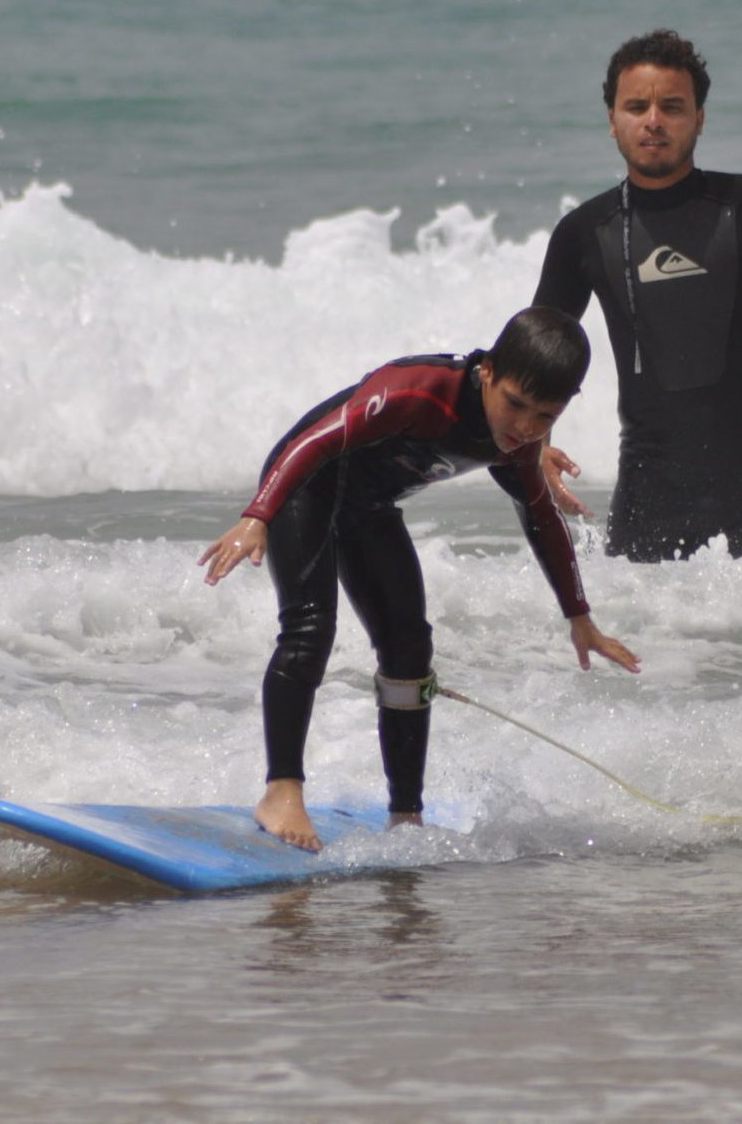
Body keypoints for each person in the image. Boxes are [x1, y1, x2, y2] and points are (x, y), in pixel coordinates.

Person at [199, 306, 641, 851]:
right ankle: (281, 792)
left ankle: (406, 817)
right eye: (515, 405)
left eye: (545, 417)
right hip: (304, 486)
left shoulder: (522, 443)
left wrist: (580, 617)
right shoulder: (418, 392)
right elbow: (311, 444)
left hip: (367, 507)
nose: (524, 427)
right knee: (310, 629)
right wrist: (257, 515)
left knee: (409, 651)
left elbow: (542, 516)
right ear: (488, 374)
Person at [533, 29, 742, 561]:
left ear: (700, 118)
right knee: (651, 638)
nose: (654, 121)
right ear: (612, 120)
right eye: (636, 106)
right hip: (650, 491)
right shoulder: (584, 231)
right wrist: (537, 445)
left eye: (672, 106)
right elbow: (537, 351)